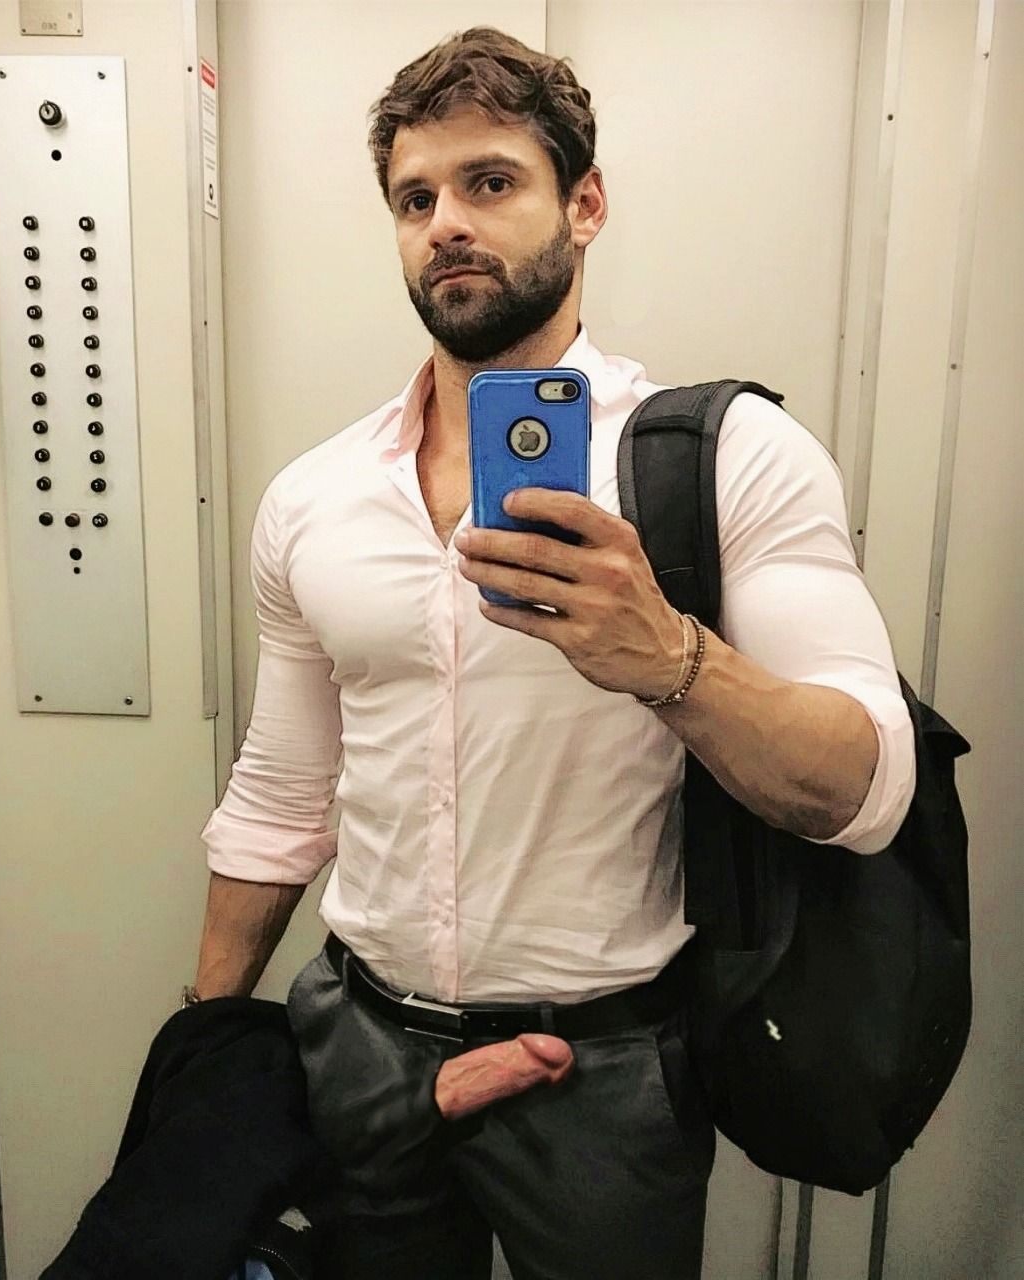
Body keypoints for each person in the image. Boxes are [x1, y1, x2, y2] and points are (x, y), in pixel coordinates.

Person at [191, 26, 915, 1280]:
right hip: (357, 1044)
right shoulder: (313, 497)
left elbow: (864, 790)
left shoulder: (726, 460)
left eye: (489, 181)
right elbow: (281, 793)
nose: (446, 224)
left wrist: (669, 656)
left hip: (604, 1070)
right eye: (414, 198)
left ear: (583, 205)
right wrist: (203, 1048)